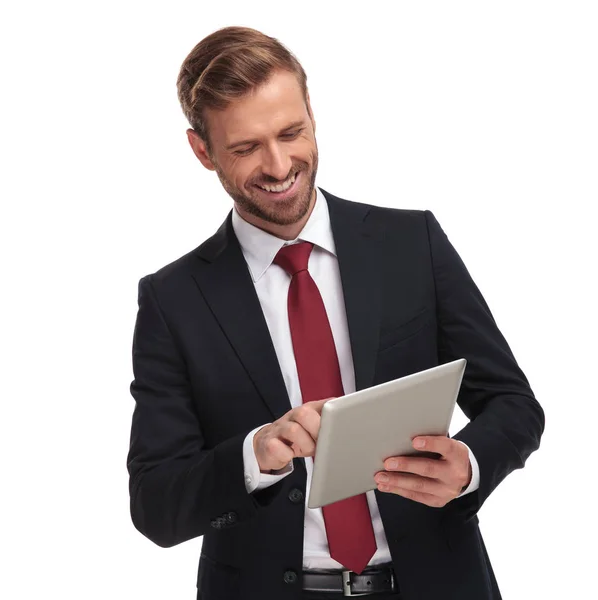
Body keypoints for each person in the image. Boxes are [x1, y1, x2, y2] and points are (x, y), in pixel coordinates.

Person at [127, 26, 544, 600]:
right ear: (202, 150)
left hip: (438, 583)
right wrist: (257, 455)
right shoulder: (173, 300)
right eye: (246, 148)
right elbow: (157, 504)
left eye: (291, 132)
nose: (278, 166)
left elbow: (515, 405)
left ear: (312, 116)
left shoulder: (411, 242)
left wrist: (468, 464)